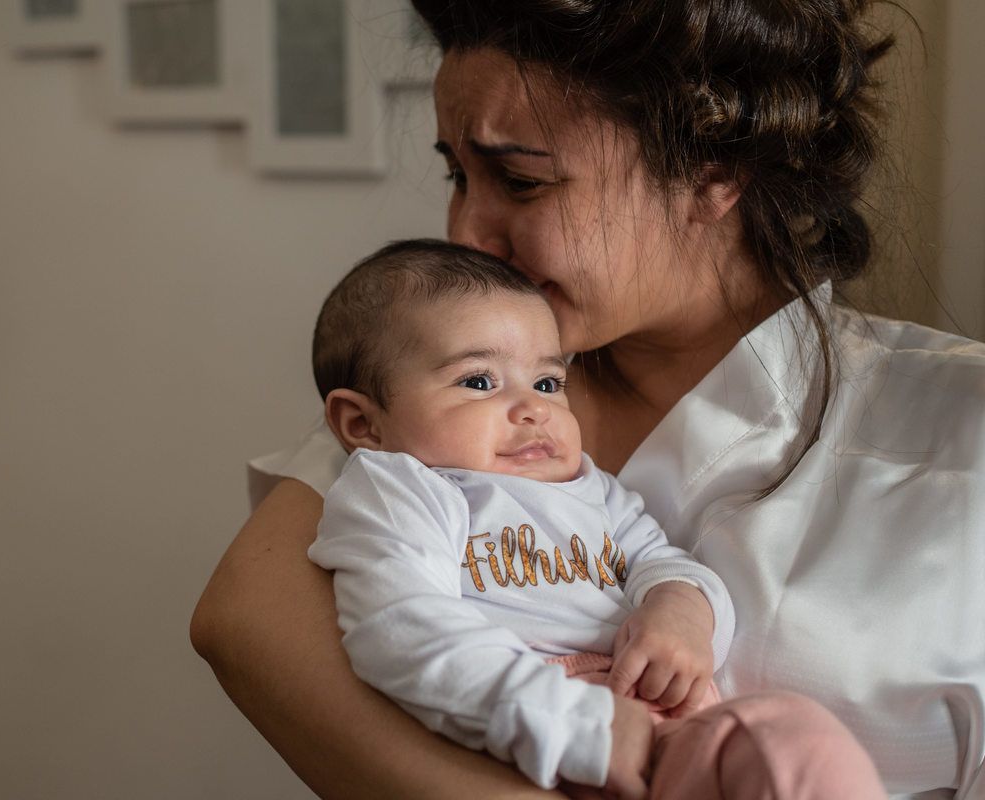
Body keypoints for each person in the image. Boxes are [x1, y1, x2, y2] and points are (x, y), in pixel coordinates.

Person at [191, 2, 985, 798]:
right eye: (457, 176)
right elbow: (246, 621)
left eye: (521, 180)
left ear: (714, 169)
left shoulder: (953, 431)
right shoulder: (456, 394)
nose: (465, 231)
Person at [307, 238, 885, 799]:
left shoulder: (591, 488)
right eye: (478, 382)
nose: (533, 407)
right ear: (363, 425)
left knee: (794, 741)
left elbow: (660, 563)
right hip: (533, 733)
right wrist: (574, 722)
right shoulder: (403, 488)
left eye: (548, 382)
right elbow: (401, 627)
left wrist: (680, 611)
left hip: (662, 716)